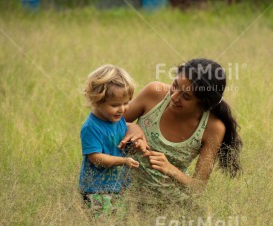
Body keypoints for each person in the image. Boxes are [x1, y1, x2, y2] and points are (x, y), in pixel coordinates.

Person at [120, 58, 242, 205]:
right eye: (175, 85)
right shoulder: (154, 94)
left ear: (204, 104)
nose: (174, 97)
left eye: (186, 96)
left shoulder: (213, 128)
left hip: (168, 207)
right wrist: (131, 126)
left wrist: (170, 169)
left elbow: (198, 188)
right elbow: (104, 124)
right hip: (122, 196)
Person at [78, 64, 141, 217]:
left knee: (119, 222)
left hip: (117, 185)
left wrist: (133, 142)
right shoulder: (91, 127)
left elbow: (121, 132)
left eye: (126, 103)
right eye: (115, 105)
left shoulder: (117, 119)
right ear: (96, 101)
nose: (122, 109)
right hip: (96, 189)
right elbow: (94, 157)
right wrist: (123, 161)